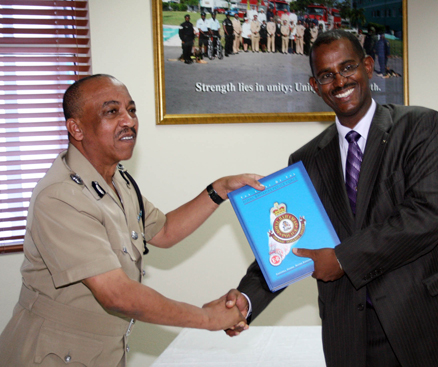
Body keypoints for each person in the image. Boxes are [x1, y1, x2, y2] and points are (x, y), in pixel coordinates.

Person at [224, 30, 438, 367]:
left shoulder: (419, 126)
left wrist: (341, 259)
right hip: (358, 334)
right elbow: (290, 241)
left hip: (435, 321)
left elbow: (428, 215)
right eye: (326, 75)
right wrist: (246, 301)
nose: (339, 81)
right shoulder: (306, 160)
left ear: (368, 66)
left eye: (347, 67)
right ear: (315, 86)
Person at [0, 74, 264, 367]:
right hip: (53, 354)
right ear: (76, 128)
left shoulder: (117, 179)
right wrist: (207, 319)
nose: (129, 121)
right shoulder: (61, 196)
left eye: (132, 110)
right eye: (112, 112)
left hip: (104, 351)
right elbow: (117, 295)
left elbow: (163, 230)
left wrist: (220, 189)